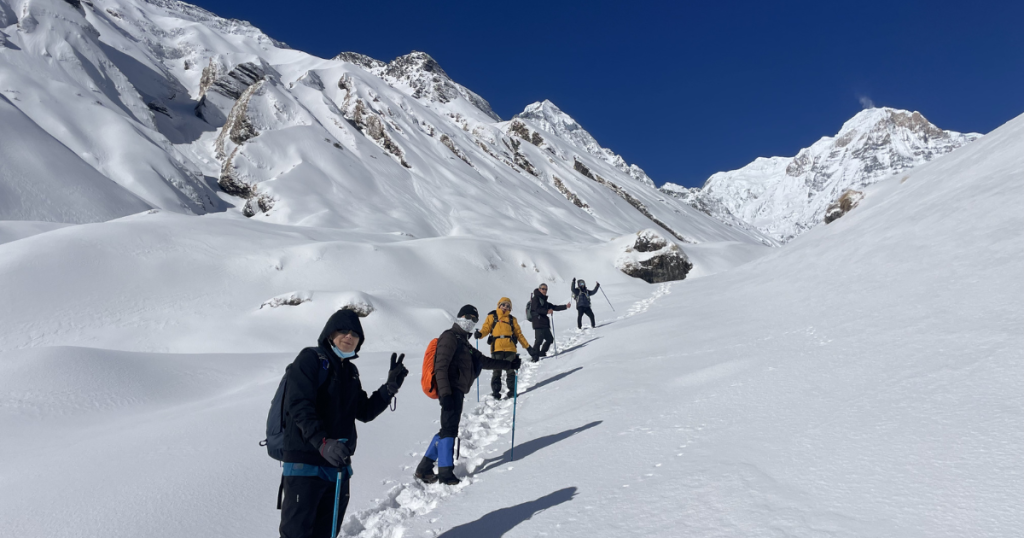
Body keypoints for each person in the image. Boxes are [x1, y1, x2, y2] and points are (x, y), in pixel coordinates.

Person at [279, 308, 408, 538]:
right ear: (330, 334)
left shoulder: (350, 372)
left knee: (327, 533)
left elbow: (364, 411)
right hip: (305, 466)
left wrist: (388, 389)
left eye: (355, 333)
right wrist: (322, 442)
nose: (349, 336)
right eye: (344, 331)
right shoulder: (310, 359)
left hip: (337, 467)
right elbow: (299, 405)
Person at [416, 305, 522, 485]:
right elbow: (440, 367)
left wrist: (509, 365)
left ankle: (424, 468)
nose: (470, 321)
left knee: (446, 429)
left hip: (456, 391)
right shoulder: (449, 337)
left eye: (474, 319)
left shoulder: (464, 344)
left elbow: (485, 361)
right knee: (449, 430)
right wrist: (446, 394)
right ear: (458, 317)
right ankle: (445, 473)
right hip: (449, 391)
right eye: (467, 317)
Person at [475, 297, 535, 399]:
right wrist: (480, 334)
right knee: (497, 371)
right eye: (503, 305)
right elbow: (486, 328)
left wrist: (528, 347)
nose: (505, 307)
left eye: (508, 306)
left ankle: (512, 392)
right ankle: (496, 393)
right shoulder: (492, 316)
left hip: (510, 349)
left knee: (511, 370)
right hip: (496, 348)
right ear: (499, 305)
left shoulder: (512, 319)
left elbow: (519, 335)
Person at [529, 283, 571, 361]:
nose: (544, 290)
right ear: (539, 289)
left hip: (544, 323)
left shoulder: (543, 300)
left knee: (549, 339)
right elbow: (536, 309)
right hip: (538, 322)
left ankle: (542, 353)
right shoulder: (536, 299)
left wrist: (565, 306)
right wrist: (547, 311)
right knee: (539, 340)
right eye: (543, 289)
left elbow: (554, 307)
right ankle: (534, 357)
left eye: (546, 289)